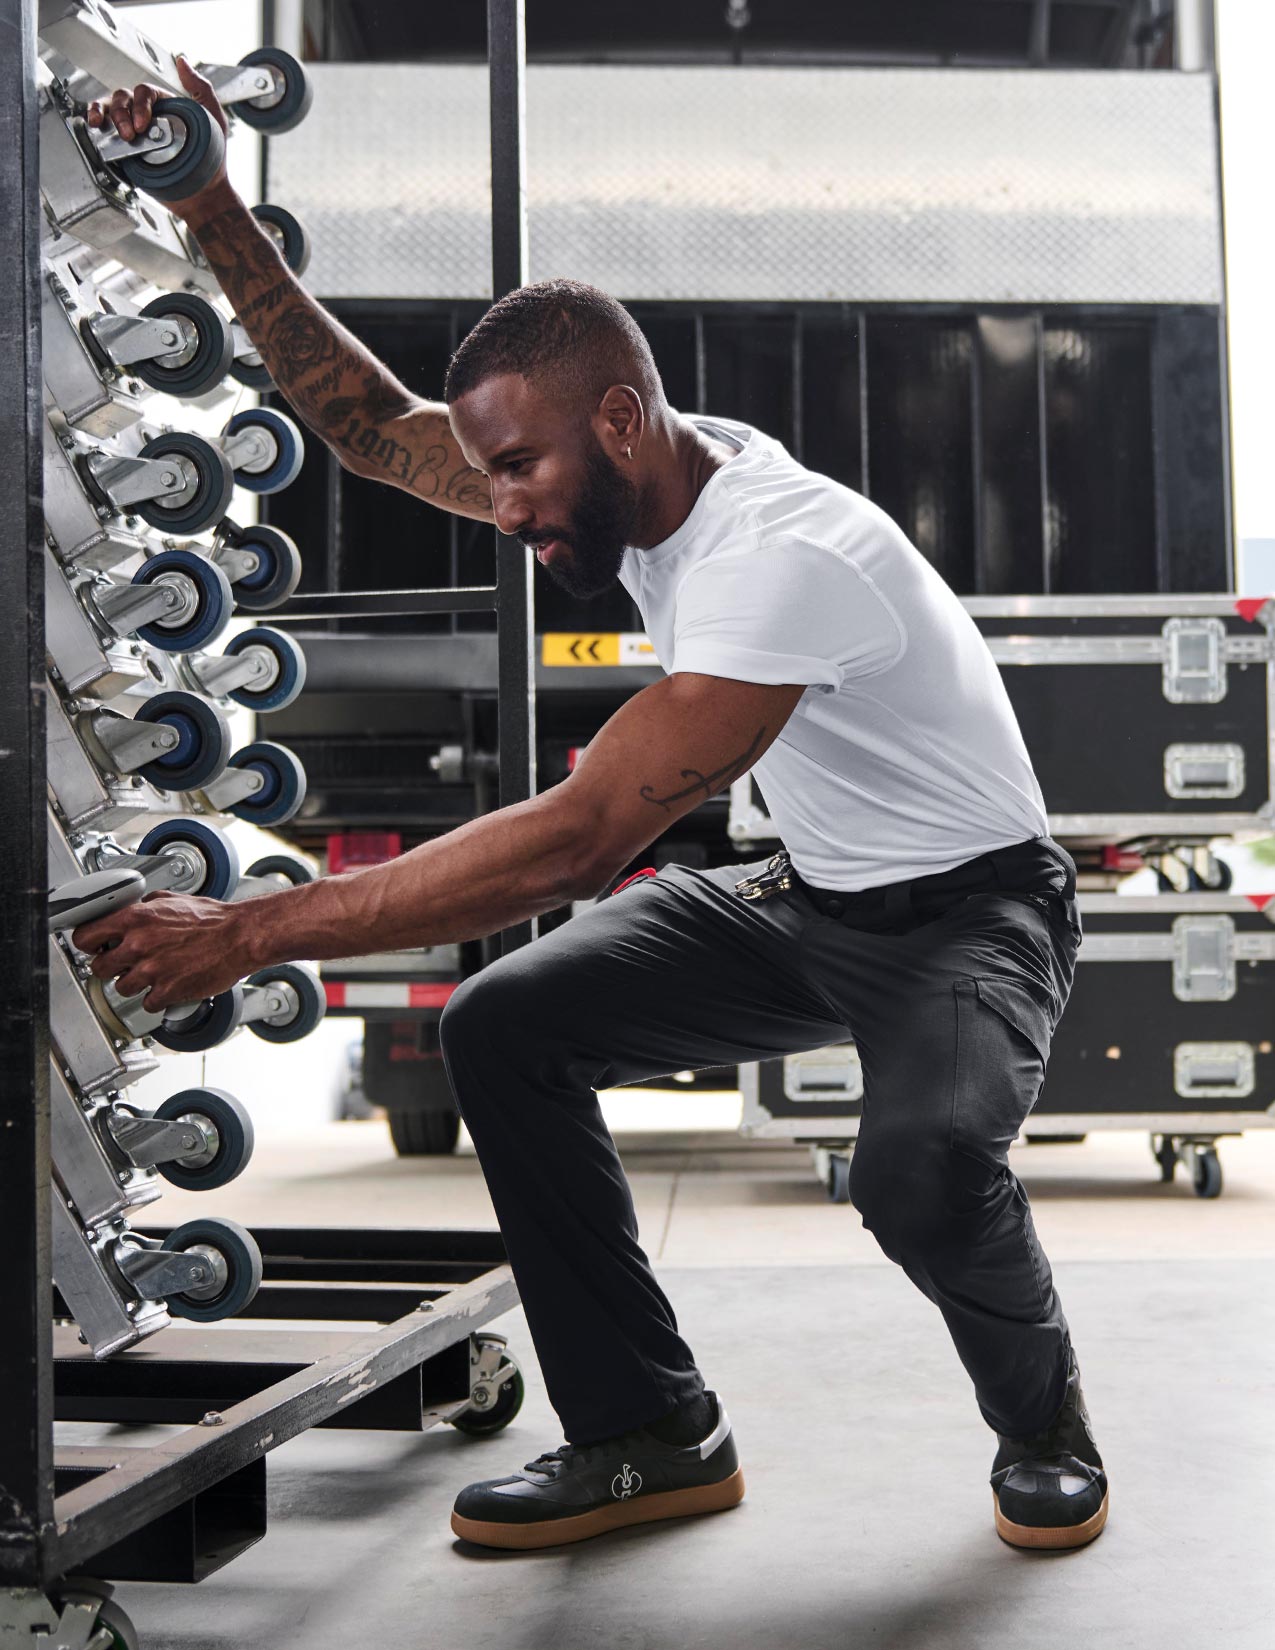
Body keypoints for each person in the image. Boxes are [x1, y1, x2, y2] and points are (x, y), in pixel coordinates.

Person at [73, 61, 1108, 1555]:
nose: (500, 506)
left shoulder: (776, 555)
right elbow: (369, 428)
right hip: (806, 901)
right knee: (502, 1025)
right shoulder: (657, 481)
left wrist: (251, 930)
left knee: (921, 1168)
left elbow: (580, 835)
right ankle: (648, 1430)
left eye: (519, 469)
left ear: (618, 421)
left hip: (975, 916)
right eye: (490, 469)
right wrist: (208, 198)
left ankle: (1047, 1425)